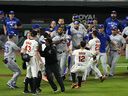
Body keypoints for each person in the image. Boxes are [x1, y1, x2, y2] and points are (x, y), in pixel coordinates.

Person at [21, 30, 43, 95]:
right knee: (35, 75)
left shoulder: (26, 41)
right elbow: (36, 53)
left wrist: (24, 59)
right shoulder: (35, 42)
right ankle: (34, 91)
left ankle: (25, 90)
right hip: (33, 59)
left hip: (27, 59)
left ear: (31, 35)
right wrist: (40, 61)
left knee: (28, 75)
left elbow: (22, 50)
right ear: (36, 35)